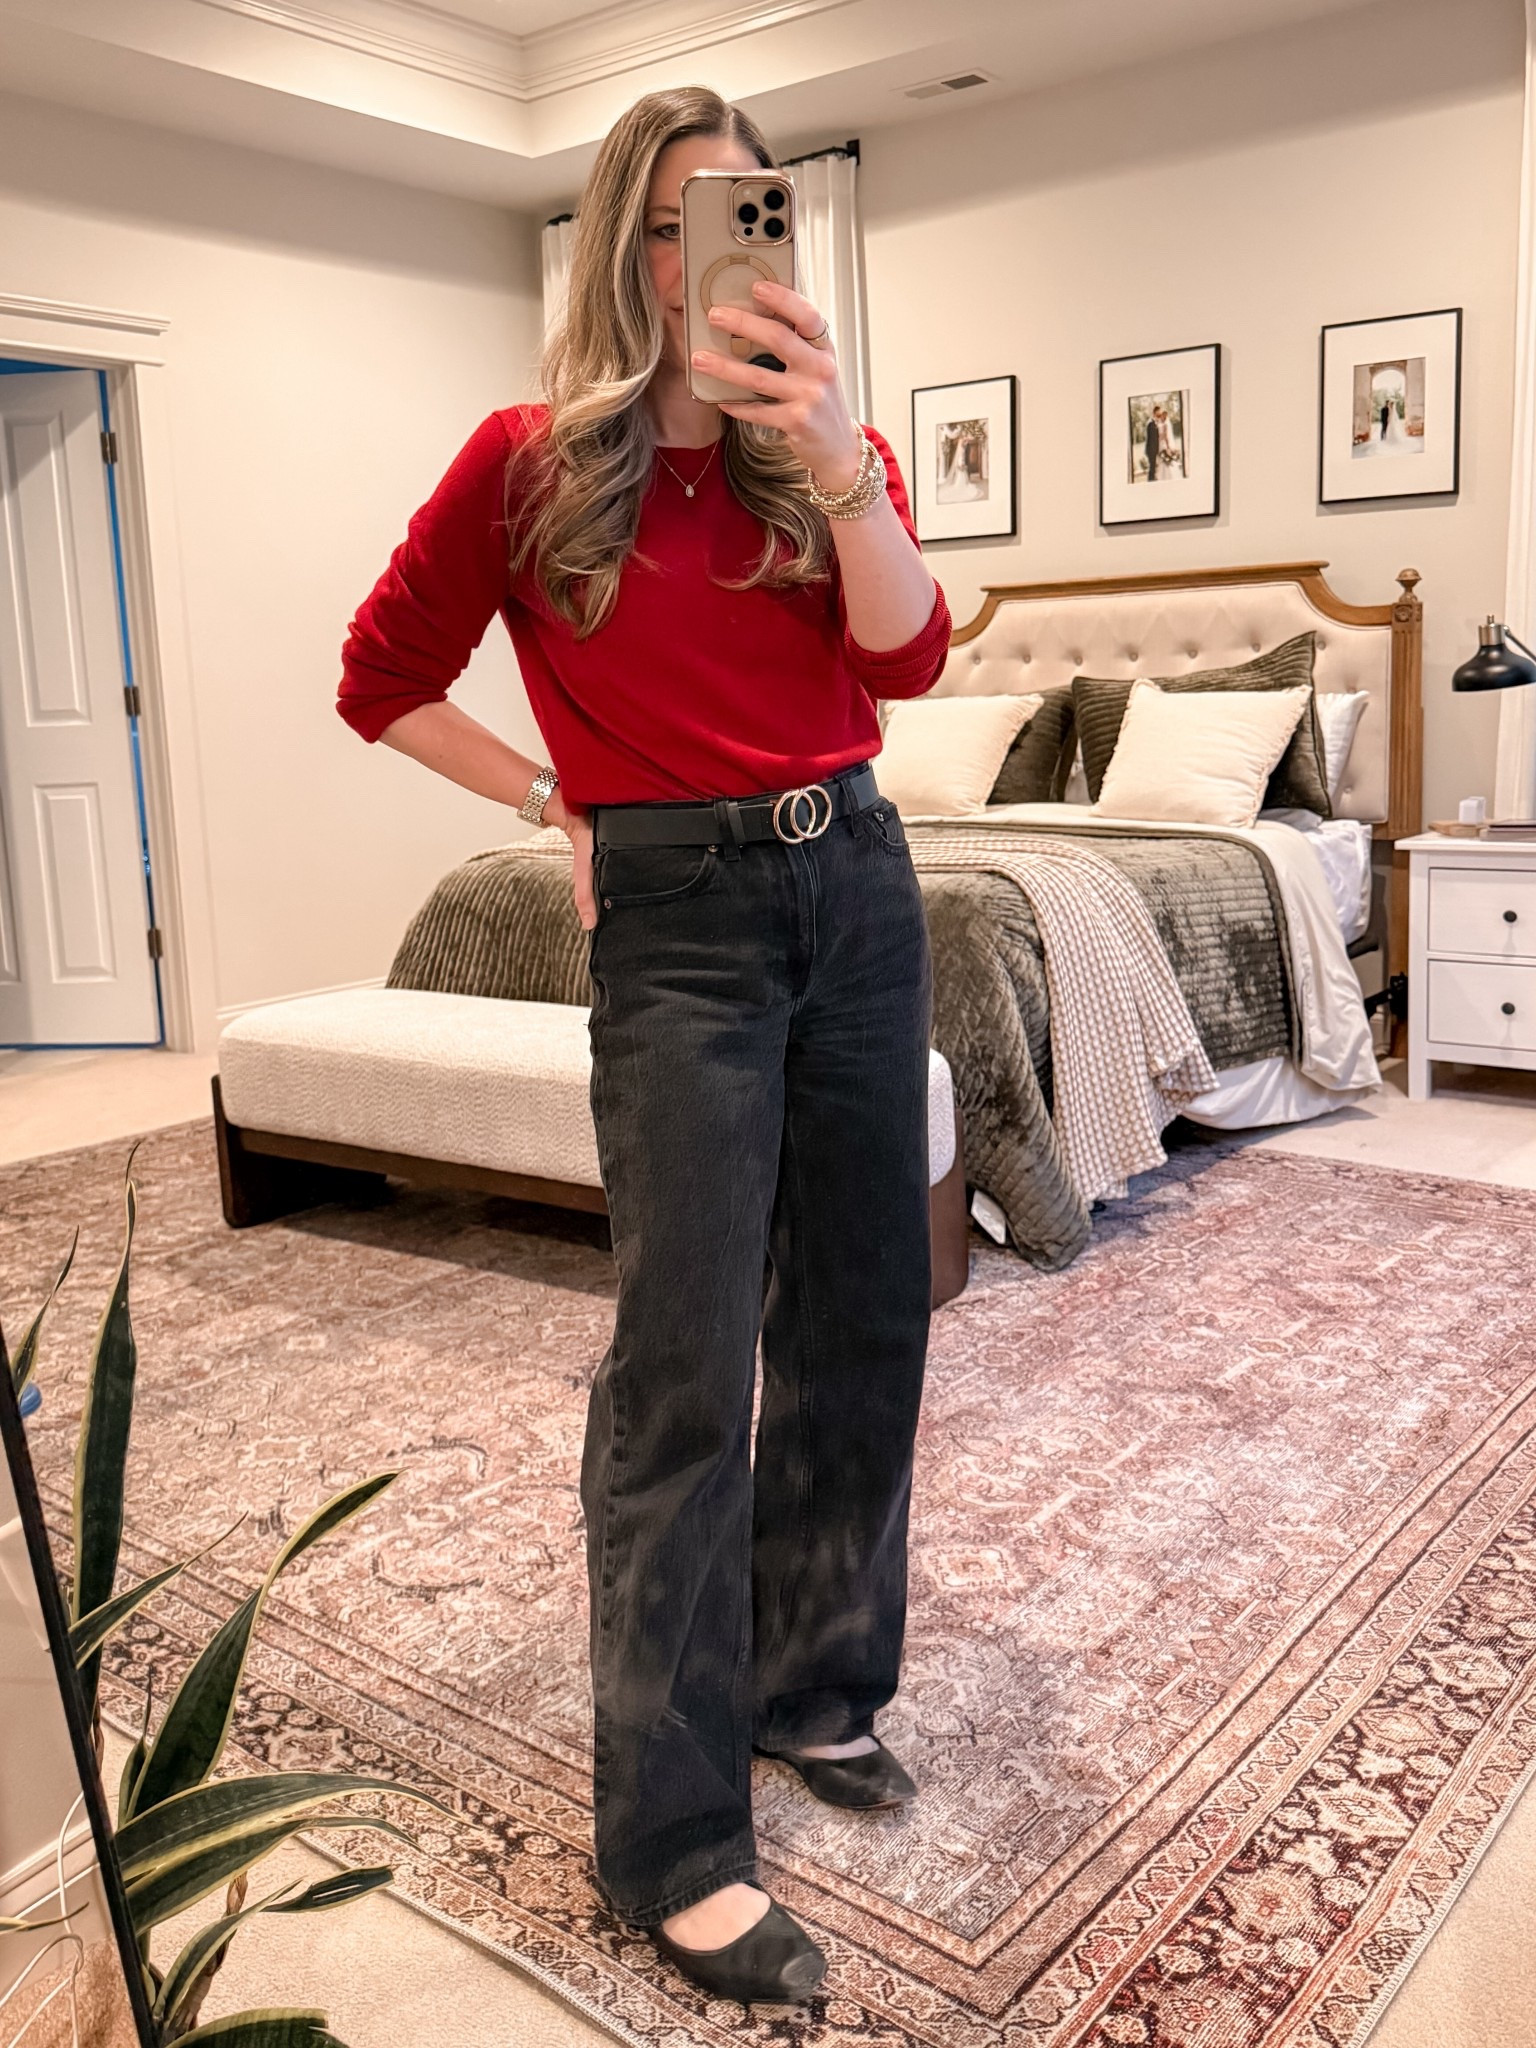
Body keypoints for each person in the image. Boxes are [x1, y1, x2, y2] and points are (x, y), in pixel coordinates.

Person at [335, 86, 950, 2005]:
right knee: (681, 1365)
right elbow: (380, 681)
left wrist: (842, 467)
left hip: (854, 877)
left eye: (752, 216)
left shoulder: (818, 454)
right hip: (675, 925)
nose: (719, 254)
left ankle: (816, 1680)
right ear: (628, 244)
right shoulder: (528, 463)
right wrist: (557, 802)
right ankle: (670, 1833)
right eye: (684, 220)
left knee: (864, 1310)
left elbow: (909, 662)